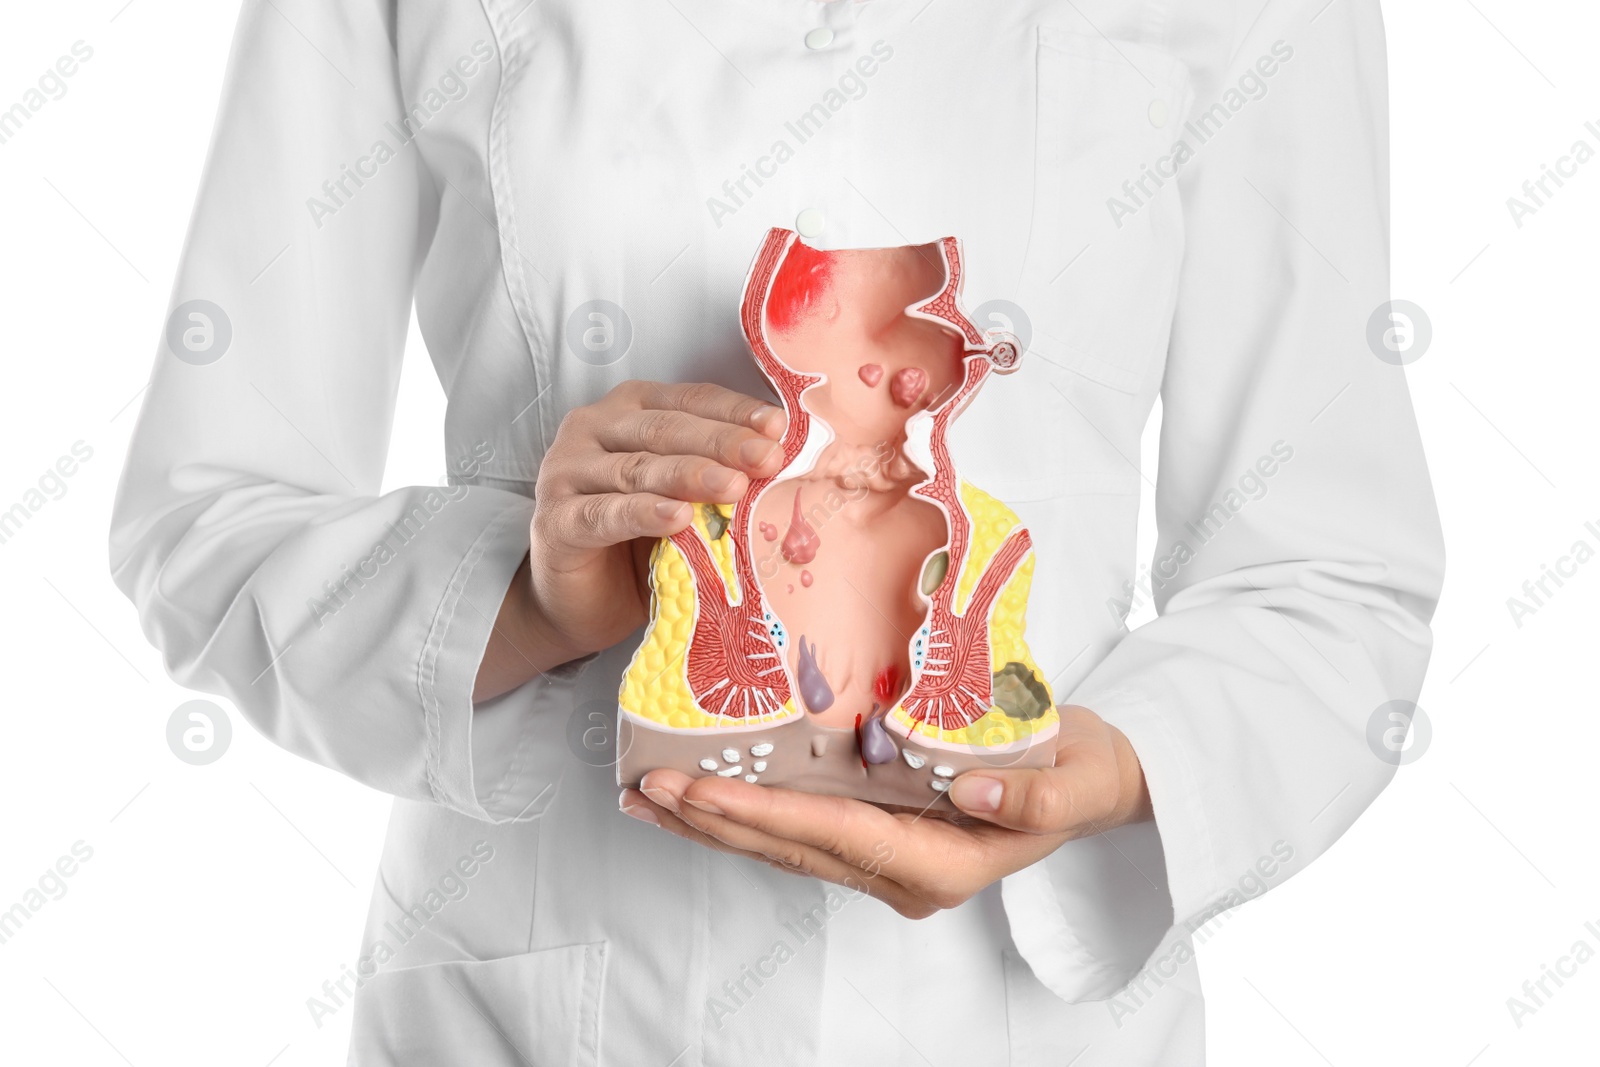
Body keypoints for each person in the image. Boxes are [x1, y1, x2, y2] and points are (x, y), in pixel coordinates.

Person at [110, 0, 1444, 1063]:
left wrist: (1083, 775)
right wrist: (534, 593)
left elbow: (1329, 573)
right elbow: (212, 521)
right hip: (546, 1013)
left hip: (1026, 1020)